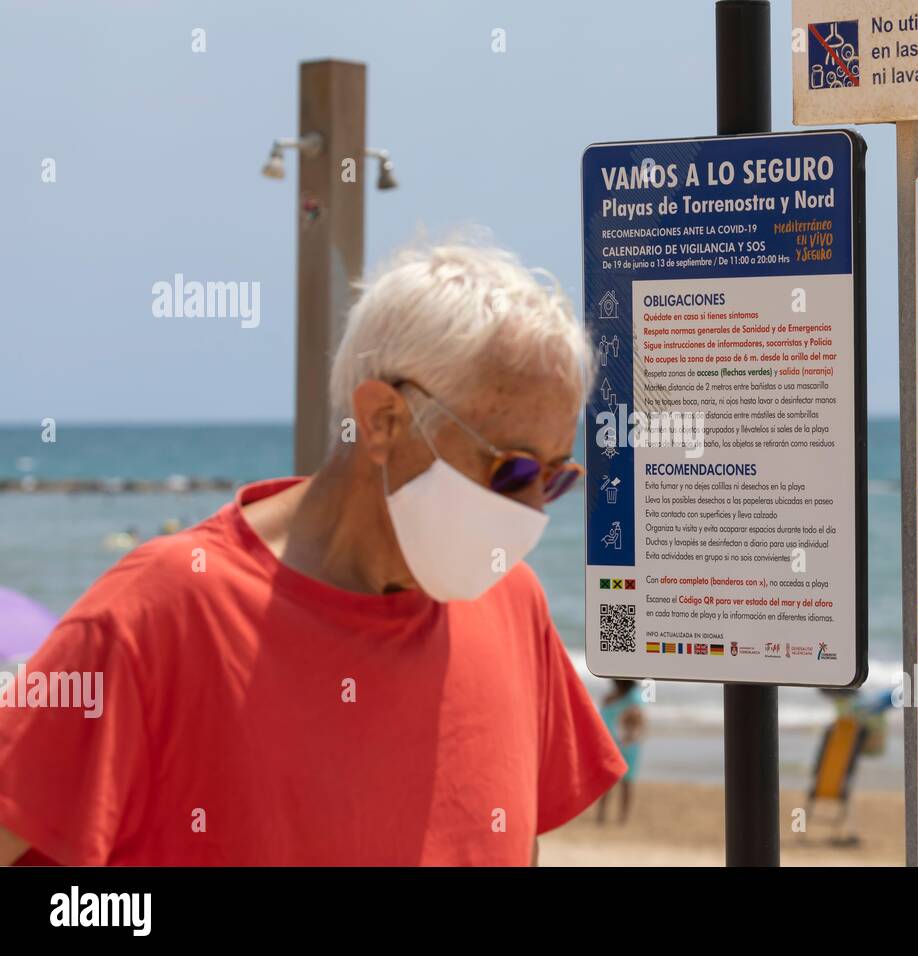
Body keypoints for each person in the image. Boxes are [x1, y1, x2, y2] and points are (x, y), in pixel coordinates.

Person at [0, 241, 626, 866]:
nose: (533, 511)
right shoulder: (158, 613)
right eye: (511, 470)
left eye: (554, 477)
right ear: (382, 420)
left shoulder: (513, 604)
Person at [596, 679, 644, 825]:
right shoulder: (610, 697)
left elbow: (639, 724)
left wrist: (628, 740)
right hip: (609, 743)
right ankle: (602, 814)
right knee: (607, 781)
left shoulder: (633, 698)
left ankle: (623, 816)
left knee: (626, 782)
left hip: (626, 745)